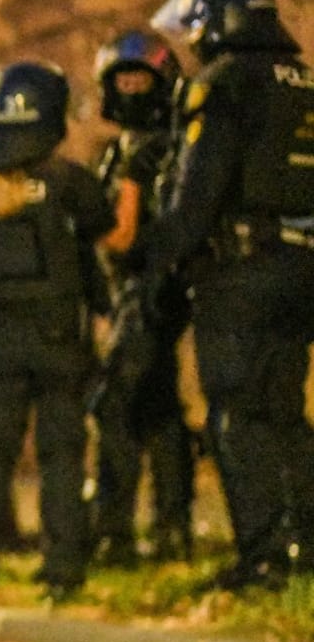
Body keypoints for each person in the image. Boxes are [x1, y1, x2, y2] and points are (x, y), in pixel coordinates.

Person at [143, 0, 314, 591]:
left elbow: (197, 195)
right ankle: (305, 548)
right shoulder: (303, 82)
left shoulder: (221, 85)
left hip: (240, 273)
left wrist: (159, 263)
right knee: (286, 412)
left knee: (237, 416)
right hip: (302, 267)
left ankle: (262, 558)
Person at [0, 63, 114, 605]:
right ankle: (63, 571)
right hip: (61, 340)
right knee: (63, 456)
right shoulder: (69, 183)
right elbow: (103, 241)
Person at [88, 31, 193, 565]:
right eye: (121, 80)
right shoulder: (144, 144)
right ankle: (173, 528)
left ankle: (114, 534)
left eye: (139, 79)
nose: (129, 89)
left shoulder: (144, 149)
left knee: (114, 407)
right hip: (149, 291)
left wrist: (81, 227)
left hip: (146, 289)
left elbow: (124, 233)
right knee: (159, 408)